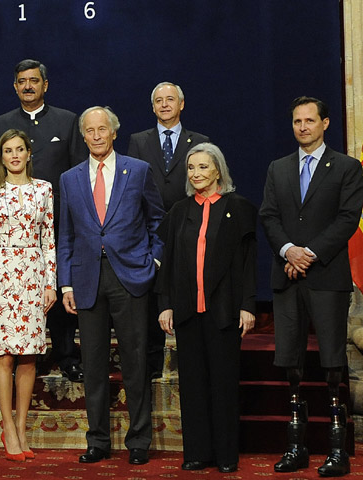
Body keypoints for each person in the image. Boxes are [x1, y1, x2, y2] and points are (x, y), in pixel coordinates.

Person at [260, 96, 363, 477]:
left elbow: (348, 218)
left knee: (333, 361)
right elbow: (268, 215)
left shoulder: (347, 168)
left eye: (309, 120)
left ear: (325, 123)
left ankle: (337, 449)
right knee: (291, 362)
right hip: (287, 278)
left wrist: (310, 254)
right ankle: (296, 447)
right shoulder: (278, 168)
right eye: (297, 121)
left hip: (327, 277)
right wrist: (289, 251)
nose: (302, 127)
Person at [57, 107, 164, 465]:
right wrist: (66, 283)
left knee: (135, 362)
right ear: (83, 136)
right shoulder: (70, 178)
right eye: (90, 131)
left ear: (114, 133)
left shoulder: (138, 171)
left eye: (103, 129)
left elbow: (157, 222)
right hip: (87, 280)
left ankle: (138, 441)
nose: (97, 136)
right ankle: (98, 440)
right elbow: (66, 235)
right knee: (93, 363)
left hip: (130, 277)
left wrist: (155, 261)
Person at [0, 59, 86, 383]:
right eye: (22, 81)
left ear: (45, 85)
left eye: (34, 80)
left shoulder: (67, 122)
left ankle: (66, 355)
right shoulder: (1, 124)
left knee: (57, 293)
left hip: (56, 223)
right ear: (15, 86)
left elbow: (79, 173)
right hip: (12, 232)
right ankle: (29, 359)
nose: (28, 86)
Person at [156, 143, 257, 473]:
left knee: (223, 383)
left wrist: (247, 306)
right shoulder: (179, 211)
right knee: (194, 385)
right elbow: (169, 263)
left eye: (203, 167)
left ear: (218, 171)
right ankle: (197, 452)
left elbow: (246, 263)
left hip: (224, 310)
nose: (196, 174)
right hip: (187, 311)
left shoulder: (237, 207)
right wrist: (165, 305)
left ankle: (226, 454)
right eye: (191, 168)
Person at [0, 129, 56, 462]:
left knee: (29, 354)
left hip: (35, 272)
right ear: (2, 156)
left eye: (19, 149)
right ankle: (7, 426)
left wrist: (51, 282)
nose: (14, 155)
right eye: (7, 150)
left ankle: (22, 427)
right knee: (5, 353)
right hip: (4, 273)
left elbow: (49, 238)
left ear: (28, 153)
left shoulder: (44, 190)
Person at [127, 82, 211, 379]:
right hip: (150, 232)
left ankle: (193, 362)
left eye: (170, 99)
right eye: (159, 101)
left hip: (190, 228)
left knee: (190, 291)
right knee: (152, 300)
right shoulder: (138, 141)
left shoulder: (199, 141)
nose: (164, 105)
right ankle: (151, 365)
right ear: (153, 107)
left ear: (181, 104)